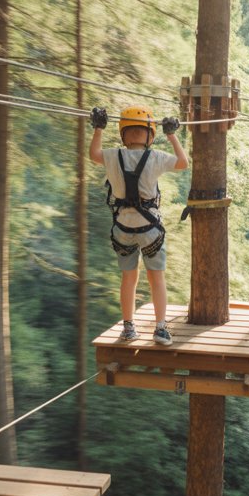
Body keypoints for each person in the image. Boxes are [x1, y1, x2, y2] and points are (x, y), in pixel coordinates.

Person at [89, 105, 189, 345]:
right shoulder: (156, 158)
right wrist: (172, 134)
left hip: (122, 230)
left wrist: (98, 129)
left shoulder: (113, 156)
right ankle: (161, 328)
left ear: (123, 133)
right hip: (150, 231)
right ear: (150, 135)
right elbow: (183, 163)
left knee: (128, 279)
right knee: (157, 279)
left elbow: (93, 154)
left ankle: (128, 328)